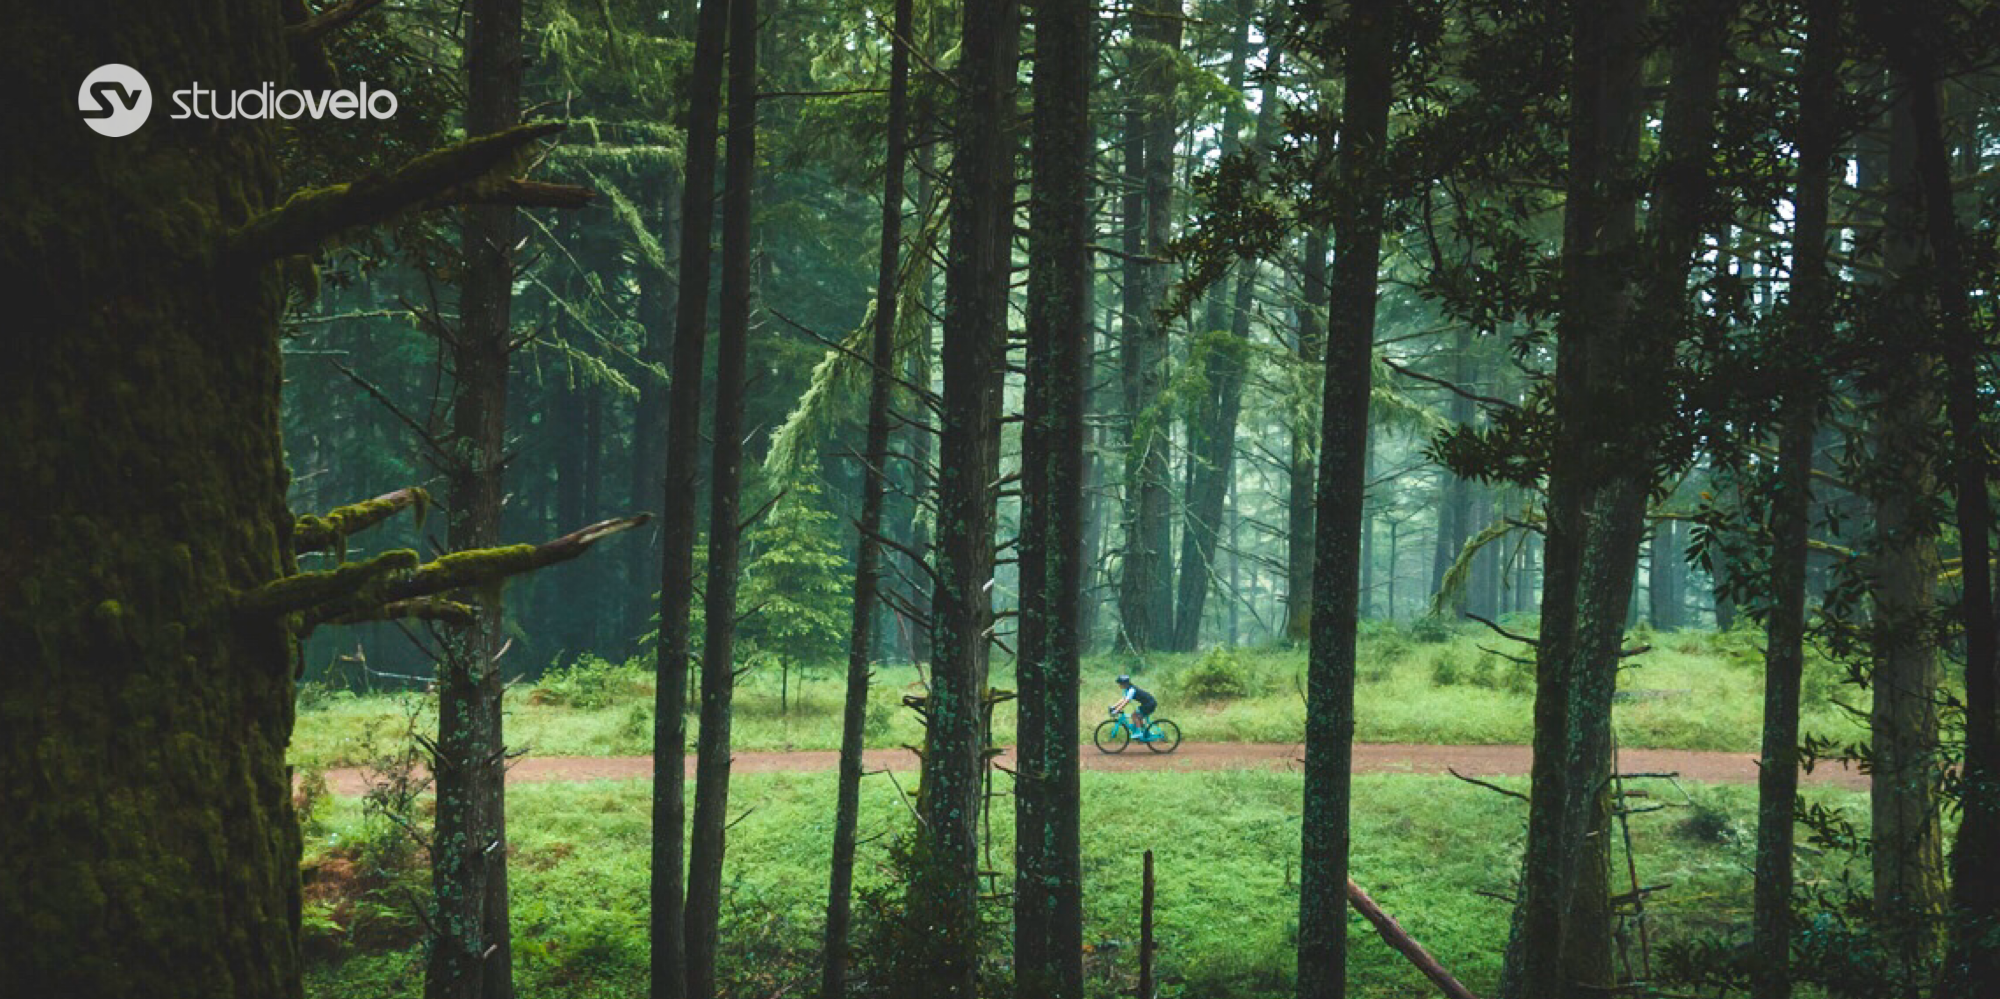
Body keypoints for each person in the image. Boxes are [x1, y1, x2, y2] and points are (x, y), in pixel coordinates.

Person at [1109, 674, 1158, 739]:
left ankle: (1138, 733)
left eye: (1120, 683)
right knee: (1138, 717)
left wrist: (1117, 710)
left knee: (1134, 715)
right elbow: (1123, 699)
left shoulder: (1132, 690)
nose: (1119, 685)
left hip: (1150, 704)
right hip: (1147, 703)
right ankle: (1146, 733)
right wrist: (1113, 707)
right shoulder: (1127, 689)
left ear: (1125, 684)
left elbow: (1126, 702)